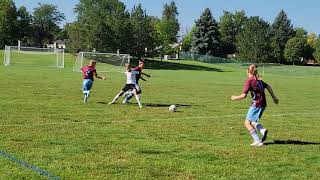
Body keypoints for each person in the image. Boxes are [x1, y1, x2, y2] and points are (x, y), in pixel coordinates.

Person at [231, 64, 279, 147]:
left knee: (246, 123)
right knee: (252, 121)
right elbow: (268, 86)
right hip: (263, 104)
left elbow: (243, 96)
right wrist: (274, 97)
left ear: (247, 71)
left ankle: (257, 140)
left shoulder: (249, 81)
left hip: (256, 104)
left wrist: (234, 97)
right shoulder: (259, 80)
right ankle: (262, 131)